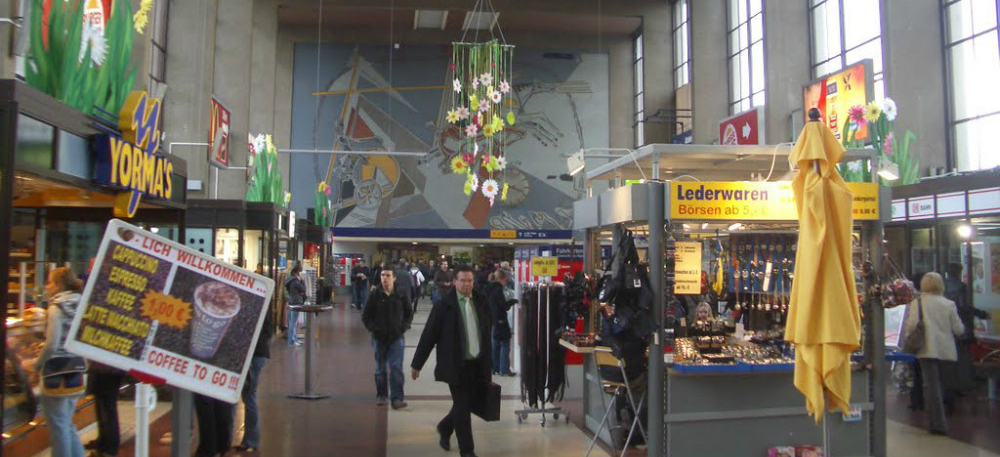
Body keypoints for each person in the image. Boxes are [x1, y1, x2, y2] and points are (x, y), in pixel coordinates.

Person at [411, 266, 492, 457]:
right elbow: (429, 335)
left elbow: (487, 331)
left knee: (467, 403)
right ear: (454, 282)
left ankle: (445, 427)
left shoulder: (481, 301)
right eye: (463, 281)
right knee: (463, 408)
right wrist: (417, 364)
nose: (466, 285)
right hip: (456, 365)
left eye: (470, 281)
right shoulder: (444, 306)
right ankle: (467, 451)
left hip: (478, 363)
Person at [904, 272, 965, 435]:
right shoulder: (949, 304)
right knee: (944, 384)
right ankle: (944, 415)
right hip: (946, 350)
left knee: (932, 386)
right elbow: (959, 329)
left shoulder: (918, 303)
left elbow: (910, 326)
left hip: (926, 349)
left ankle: (937, 423)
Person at [37, 267, 87, 457]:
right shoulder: (82, 304)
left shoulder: (55, 308)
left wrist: (37, 364)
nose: (47, 286)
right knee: (67, 422)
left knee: (58, 425)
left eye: (50, 282)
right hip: (77, 369)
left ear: (59, 285)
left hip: (55, 373)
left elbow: (51, 344)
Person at [362, 269, 414, 409]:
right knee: (380, 368)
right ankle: (382, 395)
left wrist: (403, 327)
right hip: (379, 338)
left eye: (388, 275)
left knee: (396, 368)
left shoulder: (401, 294)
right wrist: (373, 329)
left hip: (397, 337)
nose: (385, 278)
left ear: (394, 278)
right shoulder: (374, 294)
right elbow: (366, 316)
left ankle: (397, 398)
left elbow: (409, 312)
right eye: (382, 275)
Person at [946, 262, 989, 394]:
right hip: (962, 325)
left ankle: (952, 384)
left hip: (949, 326)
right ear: (959, 272)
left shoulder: (944, 286)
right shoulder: (961, 287)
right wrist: (981, 314)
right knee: (964, 356)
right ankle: (964, 384)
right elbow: (964, 306)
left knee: (953, 358)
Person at [233, 310, 273, 452]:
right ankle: (249, 440)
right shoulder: (264, 301)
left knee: (248, 396)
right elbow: (269, 330)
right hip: (260, 352)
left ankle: (251, 440)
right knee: (249, 395)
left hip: (251, 353)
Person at [487, 270, 517, 377]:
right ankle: (504, 369)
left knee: (495, 344)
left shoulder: (489, 288)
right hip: (500, 319)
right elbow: (503, 305)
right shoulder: (498, 290)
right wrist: (513, 301)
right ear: (502, 278)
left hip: (492, 320)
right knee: (505, 343)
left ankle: (495, 368)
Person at [285, 264, 307, 346]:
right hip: (296, 303)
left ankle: (293, 339)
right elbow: (303, 289)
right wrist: (302, 281)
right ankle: (291, 340)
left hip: (291, 302)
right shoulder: (295, 281)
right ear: (297, 272)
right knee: (293, 323)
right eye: (299, 273)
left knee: (291, 322)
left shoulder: (290, 280)